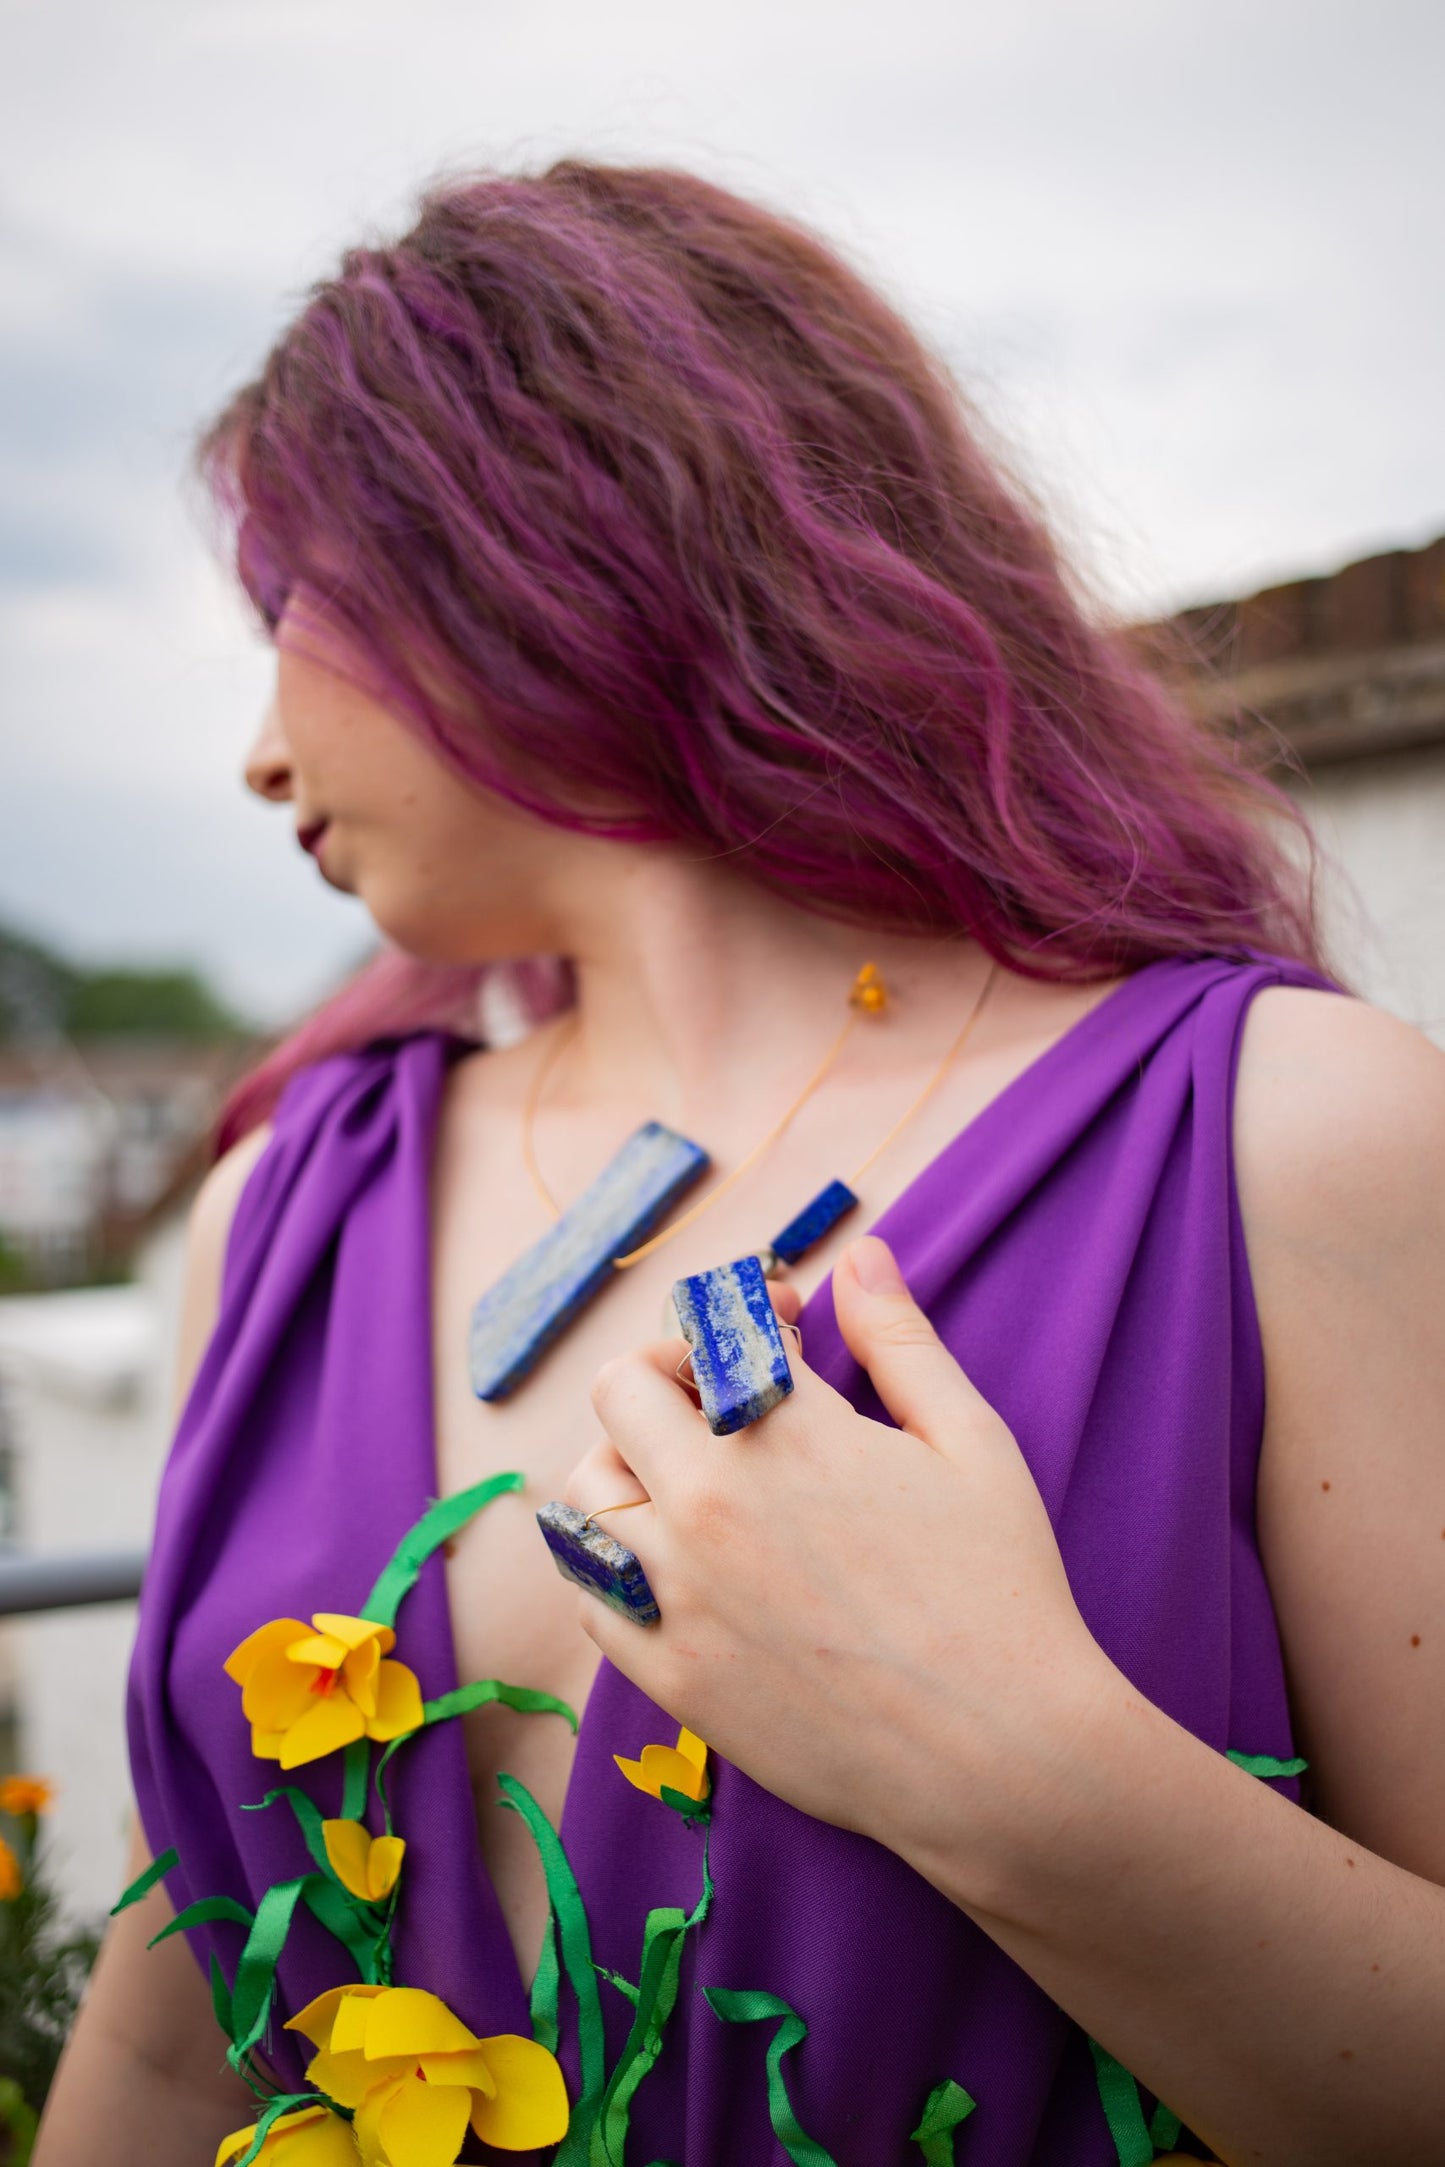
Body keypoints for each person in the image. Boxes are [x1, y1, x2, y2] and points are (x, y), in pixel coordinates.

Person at [36, 162, 1445, 2167]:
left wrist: (1004, 1757)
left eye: (289, 613)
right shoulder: (286, 1212)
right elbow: (184, 2052)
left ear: (530, 546)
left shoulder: (1292, 1140)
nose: (259, 751)